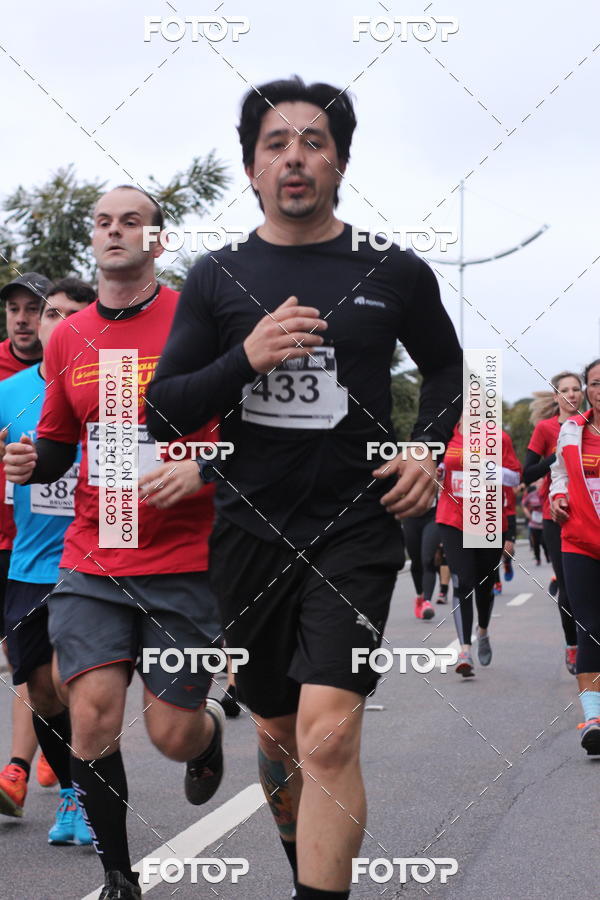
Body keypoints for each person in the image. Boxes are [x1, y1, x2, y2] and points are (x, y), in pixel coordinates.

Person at [146, 77, 463, 900]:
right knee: (283, 735)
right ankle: (296, 845)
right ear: (251, 168)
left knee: (328, 737)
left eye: (314, 142)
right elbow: (159, 411)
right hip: (247, 534)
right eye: (276, 144)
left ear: (341, 163)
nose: (295, 157)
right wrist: (244, 358)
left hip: (355, 528)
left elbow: (451, 366)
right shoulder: (218, 277)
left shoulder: (393, 269)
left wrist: (427, 447)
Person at [4, 186, 225, 900]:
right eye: (103, 222)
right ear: (92, 240)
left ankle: (209, 733)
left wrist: (199, 468)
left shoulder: (198, 320)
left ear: (157, 240)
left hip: (184, 556)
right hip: (95, 553)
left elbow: (247, 436)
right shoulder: (68, 336)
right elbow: (63, 444)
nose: (114, 231)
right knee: (91, 715)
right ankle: (119, 875)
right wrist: (34, 459)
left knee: (170, 732)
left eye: (131, 221)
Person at [0, 278, 95, 843]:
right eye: (52, 316)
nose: (62, 325)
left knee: (74, 678)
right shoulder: (12, 392)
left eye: (76, 316)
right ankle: (68, 787)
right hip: (29, 561)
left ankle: (82, 795)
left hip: (92, 557)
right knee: (38, 687)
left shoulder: (113, 388)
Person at [0, 271, 56, 816]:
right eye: (14, 308)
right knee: (21, 661)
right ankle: (45, 741)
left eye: (35, 309)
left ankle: (26, 764)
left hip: (49, 544)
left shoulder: (89, 373)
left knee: (44, 662)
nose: (23, 319)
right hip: (8, 541)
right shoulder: (3, 385)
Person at [437, 418, 521, 676]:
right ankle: (465, 650)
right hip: (451, 517)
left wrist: (486, 468)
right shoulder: (444, 434)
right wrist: (437, 471)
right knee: (462, 581)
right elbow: (435, 464)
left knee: (484, 586)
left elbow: (515, 476)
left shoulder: (499, 438)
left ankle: (482, 632)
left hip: (487, 520)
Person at [550, 359, 600, 756]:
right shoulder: (571, 429)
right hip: (580, 541)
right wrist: (558, 496)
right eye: (596, 384)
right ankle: (593, 718)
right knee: (589, 626)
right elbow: (559, 473)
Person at [523, 371, 583, 674]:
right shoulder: (546, 429)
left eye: (577, 389)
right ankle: (573, 647)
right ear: (556, 397)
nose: (572, 394)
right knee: (570, 590)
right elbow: (527, 473)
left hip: (590, 514)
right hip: (555, 516)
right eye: (565, 390)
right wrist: (555, 457)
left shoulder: (591, 425)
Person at [403, 507, 445, 618]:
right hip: (410, 516)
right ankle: (420, 597)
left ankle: (427, 602)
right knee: (416, 562)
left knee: (427, 559)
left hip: (433, 516)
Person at [522, 481, 549, 565]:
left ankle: (548, 556)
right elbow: (523, 504)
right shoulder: (531, 495)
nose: (539, 484)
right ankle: (538, 559)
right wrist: (527, 514)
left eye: (541, 482)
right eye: (538, 483)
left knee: (544, 541)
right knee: (536, 542)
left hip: (544, 521)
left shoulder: (547, 493)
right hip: (534, 521)